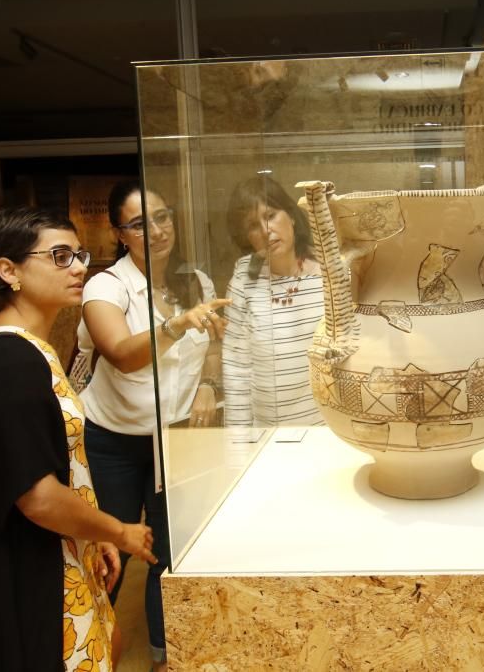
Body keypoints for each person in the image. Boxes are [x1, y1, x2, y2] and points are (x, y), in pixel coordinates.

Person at [0, 206, 156, 671]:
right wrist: (118, 530)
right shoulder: (6, 363)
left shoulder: (28, 350)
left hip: (56, 558)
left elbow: (60, 470)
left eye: (79, 254)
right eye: (60, 256)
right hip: (29, 575)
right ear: (9, 270)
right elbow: (37, 498)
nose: (80, 266)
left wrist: (89, 534)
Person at [78, 180, 230, 672]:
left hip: (177, 437)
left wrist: (208, 382)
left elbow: (215, 345)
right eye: (141, 223)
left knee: (172, 549)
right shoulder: (107, 286)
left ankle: (167, 655)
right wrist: (178, 323)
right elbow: (122, 355)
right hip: (113, 443)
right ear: (121, 234)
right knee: (111, 551)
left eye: (163, 217)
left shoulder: (196, 281)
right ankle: (88, 653)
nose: (157, 230)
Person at [222, 176, 325, 427]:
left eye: (270, 216)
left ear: (290, 215)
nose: (266, 231)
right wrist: (238, 445)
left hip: (325, 431)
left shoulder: (329, 272)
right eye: (253, 225)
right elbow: (236, 367)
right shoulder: (244, 276)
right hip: (267, 435)